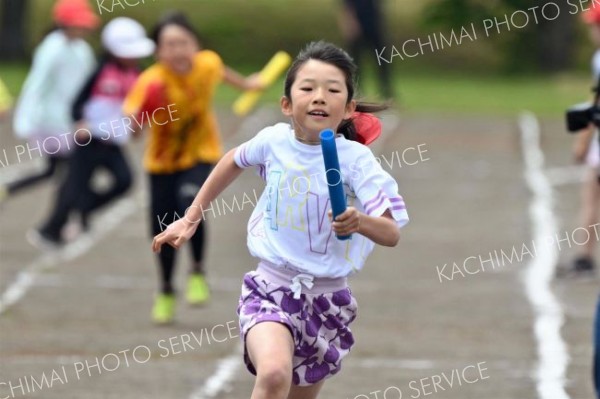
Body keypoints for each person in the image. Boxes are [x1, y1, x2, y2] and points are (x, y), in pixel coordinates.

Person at [152, 41, 409, 399]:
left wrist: (358, 221)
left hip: (328, 301)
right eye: (307, 88)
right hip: (271, 288)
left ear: (349, 108)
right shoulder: (273, 142)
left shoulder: (358, 161)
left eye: (333, 90)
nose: (320, 97)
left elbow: (391, 232)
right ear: (286, 104)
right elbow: (232, 160)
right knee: (273, 375)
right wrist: (190, 217)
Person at [122, 12, 265, 323]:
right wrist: (138, 120)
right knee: (162, 226)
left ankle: (197, 270)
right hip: (162, 162)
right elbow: (133, 130)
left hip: (202, 153)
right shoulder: (151, 82)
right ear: (158, 51)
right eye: (169, 44)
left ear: (195, 44)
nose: (177, 50)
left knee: (190, 205)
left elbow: (226, 75)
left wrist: (249, 84)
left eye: (183, 42)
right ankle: (165, 289)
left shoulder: (207, 64)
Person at [27, 17, 155, 249]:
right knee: (74, 186)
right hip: (90, 139)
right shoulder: (100, 70)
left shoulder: (139, 75)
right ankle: (50, 230)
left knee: (124, 180)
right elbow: (78, 101)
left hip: (113, 141)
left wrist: (138, 125)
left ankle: (83, 211)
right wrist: (80, 121)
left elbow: (142, 107)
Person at [1, 0, 98, 202]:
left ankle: (8, 191)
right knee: (73, 170)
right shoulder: (52, 48)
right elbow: (36, 85)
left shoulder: (82, 50)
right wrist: (26, 119)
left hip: (69, 121)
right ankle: (67, 216)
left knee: (55, 170)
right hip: (52, 122)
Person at [338, 0, 395, 100]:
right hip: (357, 21)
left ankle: (386, 91)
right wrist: (349, 21)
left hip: (374, 22)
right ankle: (356, 91)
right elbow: (345, 5)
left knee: (382, 58)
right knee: (355, 61)